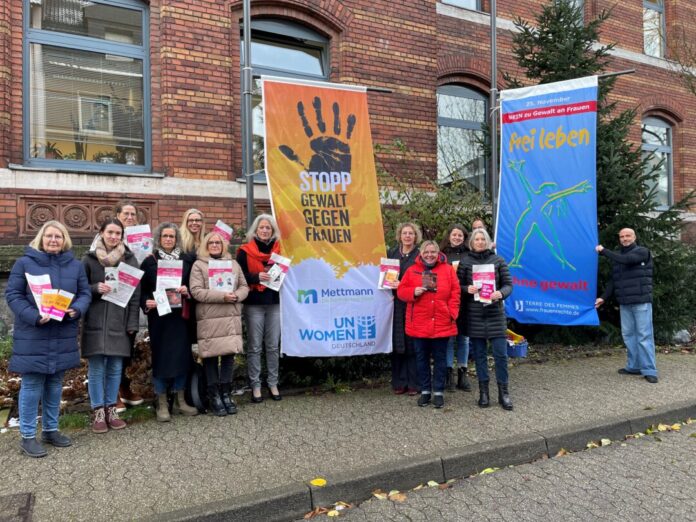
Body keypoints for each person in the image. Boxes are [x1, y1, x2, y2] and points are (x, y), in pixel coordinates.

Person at [5, 221, 91, 457]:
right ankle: (28, 436)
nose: (54, 240)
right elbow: (12, 294)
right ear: (41, 238)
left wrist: (77, 310)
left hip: (62, 331)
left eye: (59, 236)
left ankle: (51, 430)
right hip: (35, 333)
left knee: (54, 384)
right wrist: (34, 316)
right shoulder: (25, 263)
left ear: (65, 240)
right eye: (49, 236)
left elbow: (85, 293)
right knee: (32, 385)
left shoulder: (74, 265)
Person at [81, 218, 140, 433]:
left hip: (119, 322)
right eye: (110, 232)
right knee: (96, 368)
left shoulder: (130, 260)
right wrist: (96, 288)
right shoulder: (88, 259)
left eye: (118, 233)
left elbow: (136, 296)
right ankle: (98, 412)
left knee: (115, 368)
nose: (114, 237)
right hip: (95, 320)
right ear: (101, 233)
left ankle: (111, 409)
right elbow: (79, 290)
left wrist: (133, 322)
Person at [140, 223, 199, 421]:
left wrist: (186, 291)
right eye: (165, 236)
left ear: (177, 239)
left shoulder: (186, 261)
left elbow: (194, 287)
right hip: (159, 318)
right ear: (159, 238)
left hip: (180, 317)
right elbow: (142, 290)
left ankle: (181, 400)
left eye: (171, 237)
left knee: (182, 357)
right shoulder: (150, 261)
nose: (168, 239)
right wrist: (146, 302)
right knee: (161, 357)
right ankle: (162, 402)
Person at [397, 241, 460, 409]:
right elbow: (401, 292)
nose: (430, 255)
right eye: (427, 252)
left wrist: (452, 312)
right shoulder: (412, 270)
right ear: (421, 253)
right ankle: (425, 390)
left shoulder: (447, 270)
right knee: (421, 359)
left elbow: (456, 291)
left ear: (438, 253)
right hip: (419, 323)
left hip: (442, 322)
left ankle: (438, 392)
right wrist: (413, 292)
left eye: (433, 252)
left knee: (440, 359)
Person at [191, 232, 249, 415]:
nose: (215, 245)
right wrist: (222, 296)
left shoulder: (233, 264)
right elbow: (196, 291)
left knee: (228, 357)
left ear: (223, 245)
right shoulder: (199, 265)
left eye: (218, 242)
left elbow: (244, 286)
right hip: (210, 318)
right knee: (210, 357)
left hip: (230, 316)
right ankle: (214, 395)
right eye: (211, 242)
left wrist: (238, 296)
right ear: (206, 246)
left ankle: (226, 393)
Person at [457, 228, 514, 410]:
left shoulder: (498, 260)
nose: (480, 242)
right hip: (474, 315)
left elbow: (508, 285)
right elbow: (457, 286)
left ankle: (503, 393)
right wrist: (467, 289)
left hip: (495, 314)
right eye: (477, 239)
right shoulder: (465, 262)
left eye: (483, 239)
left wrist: (500, 293)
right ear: (472, 243)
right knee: (480, 356)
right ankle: (484, 393)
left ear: (488, 242)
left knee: (500, 355)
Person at [595, 228, 658, 383]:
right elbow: (614, 280)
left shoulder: (642, 252)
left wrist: (604, 251)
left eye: (628, 235)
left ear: (634, 237)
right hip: (625, 303)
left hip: (641, 302)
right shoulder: (618, 257)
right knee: (629, 335)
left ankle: (650, 370)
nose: (625, 238)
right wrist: (603, 298)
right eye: (622, 236)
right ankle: (634, 366)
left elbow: (628, 260)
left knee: (644, 336)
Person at [236, 214, 282, 403]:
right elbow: (238, 277)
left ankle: (273, 383)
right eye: (262, 227)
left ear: (272, 231)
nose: (265, 230)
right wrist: (256, 277)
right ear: (255, 230)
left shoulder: (280, 251)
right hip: (253, 303)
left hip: (274, 303)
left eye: (268, 228)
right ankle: (255, 385)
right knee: (254, 347)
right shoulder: (244, 251)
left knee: (272, 346)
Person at [113, 199, 145, 410]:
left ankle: (124, 388)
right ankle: (112, 393)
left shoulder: (141, 238)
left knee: (127, 345)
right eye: (126, 213)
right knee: (113, 346)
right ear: (117, 215)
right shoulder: (107, 235)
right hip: (113, 298)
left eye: (133, 214)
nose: (130, 217)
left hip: (133, 296)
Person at [387, 222, 422, 395]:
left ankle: (414, 383)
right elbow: (383, 276)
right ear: (400, 236)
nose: (407, 236)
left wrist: (404, 286)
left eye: (411, 233)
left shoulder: (419, 256)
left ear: (416, 236)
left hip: (413, 303)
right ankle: (399, 382)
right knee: (397, 342)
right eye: (405, 233)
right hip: (395, 303)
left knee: (412, 343)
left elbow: (423, 278)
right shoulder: (392, 254)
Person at [440, 224, 471, 392]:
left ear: (464, 237)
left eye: (460, 235)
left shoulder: (470, 254)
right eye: (454, 234)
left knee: (464, 339)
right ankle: (448, 375)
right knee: (449, 339)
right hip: (447, 302)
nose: (457, 237)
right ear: (449, 236)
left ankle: (462, 374)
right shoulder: (442, 255)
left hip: (465, 302)